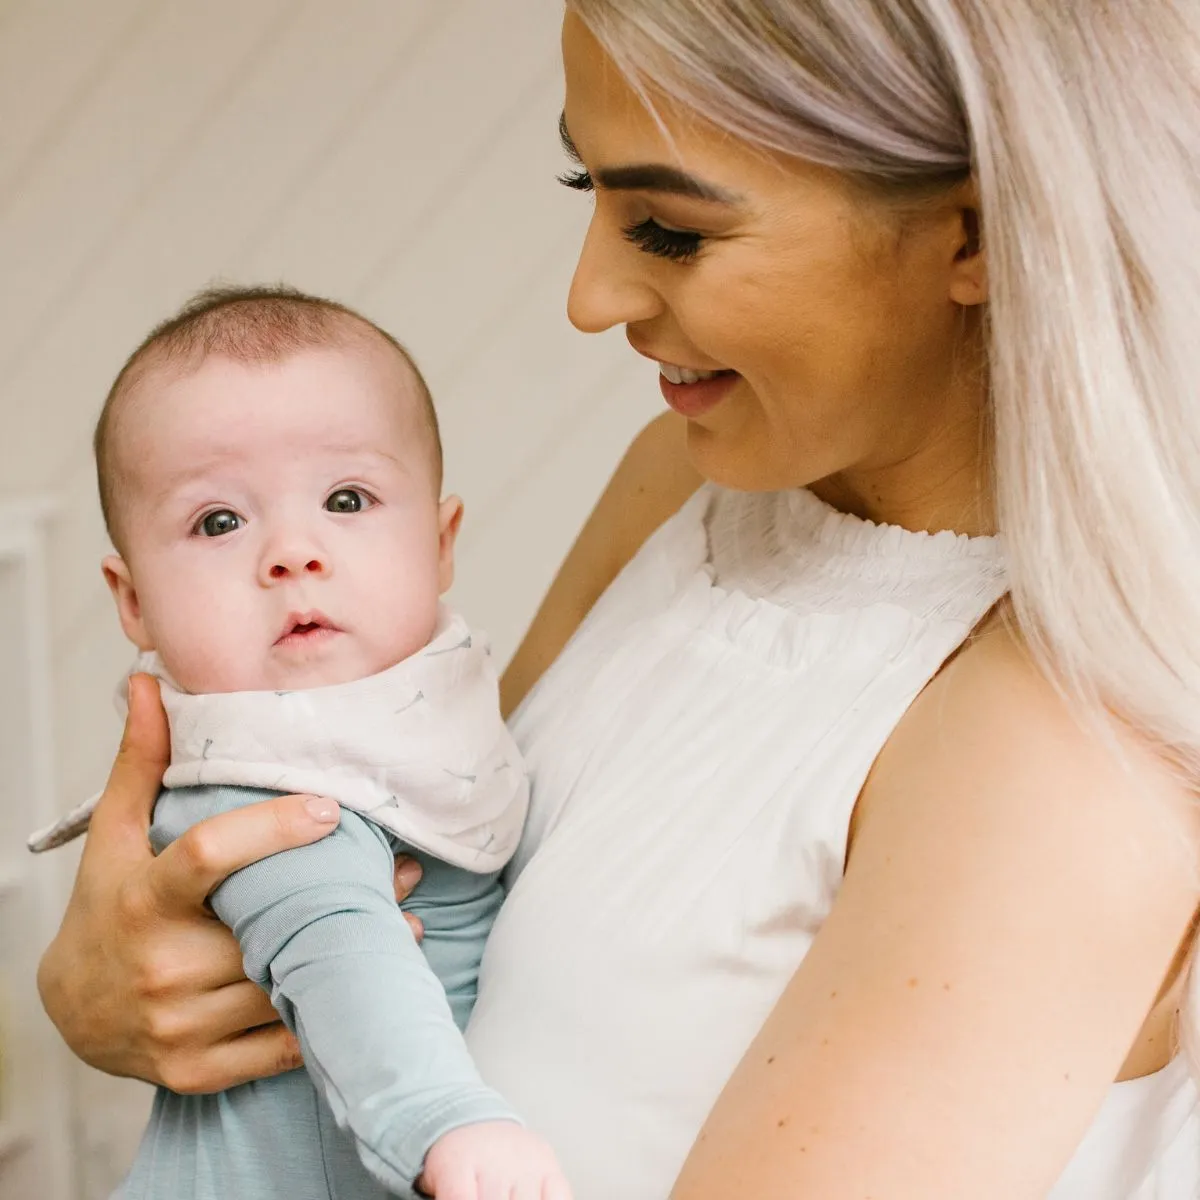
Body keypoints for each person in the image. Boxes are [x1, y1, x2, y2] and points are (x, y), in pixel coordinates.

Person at [37, 4, 1200, 1198]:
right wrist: (114, 975)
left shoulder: (1063, 743)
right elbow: (448, 858)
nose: (591, 297)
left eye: (668, 227)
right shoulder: (689, 484)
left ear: (975, 233)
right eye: (579, 184)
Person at [35, 286, 569, 1200]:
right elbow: (343, 953)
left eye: (347, 498)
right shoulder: (263, 791)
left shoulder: (419, 722)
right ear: (133, 602)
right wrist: (451, 1123)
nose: (291, 551)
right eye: (217, 521)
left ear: (441, 544)